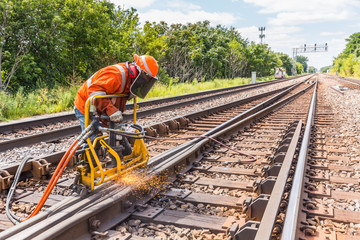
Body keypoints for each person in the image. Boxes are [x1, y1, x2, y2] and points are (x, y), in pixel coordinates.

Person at [74, 54, 159, 131]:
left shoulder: (129, 81)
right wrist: (111, 110)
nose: (143, 82)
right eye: (144, 78)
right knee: (92, 139)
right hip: (86, 104)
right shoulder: (117, 75)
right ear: (137, 71)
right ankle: (88, 147)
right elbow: (95, 90)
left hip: (100, 108)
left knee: (118, 135)